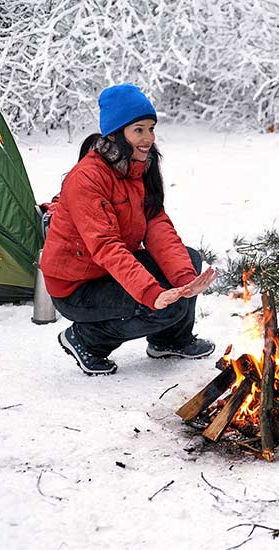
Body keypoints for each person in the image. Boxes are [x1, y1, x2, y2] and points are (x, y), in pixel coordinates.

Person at [41, 83, 217, 376]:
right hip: (77, 286)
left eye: (151, 128)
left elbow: (156, 224)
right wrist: (150, 292)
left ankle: (169, 340)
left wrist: (186, 281)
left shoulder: (140, 166)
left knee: (190, 259)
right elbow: (106, 247)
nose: (148, 138)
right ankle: (86, 341)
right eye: (139, 130)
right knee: (164, 305)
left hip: (109, 271)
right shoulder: (87, 178)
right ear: (116, 132)